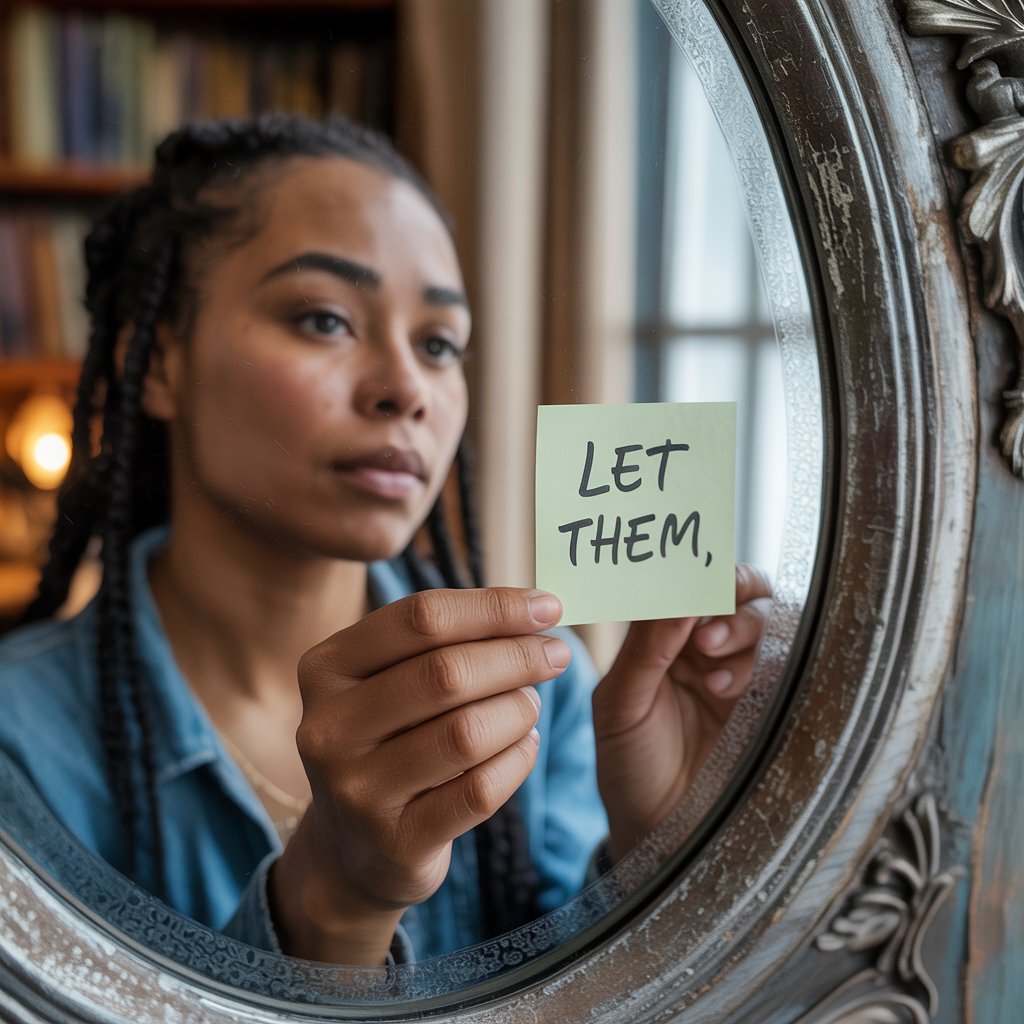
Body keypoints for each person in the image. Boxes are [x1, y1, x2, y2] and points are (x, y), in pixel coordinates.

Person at [0, 113, 771, 967]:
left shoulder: (545, 696)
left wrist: (659, 851)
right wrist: (329, 909)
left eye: (439, 343)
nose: (407, 388)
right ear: (156, 364)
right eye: (325, 319)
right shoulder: (20, 741)